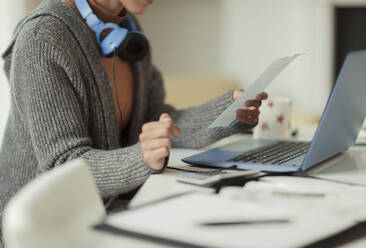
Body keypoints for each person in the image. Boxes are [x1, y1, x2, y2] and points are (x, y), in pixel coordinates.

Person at [0, 0, 267, 244]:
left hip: (108, 214)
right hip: (48, 232)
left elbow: (156, 121)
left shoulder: (126, 28)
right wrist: (142, 159)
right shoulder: (42, 38)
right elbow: (64, 164)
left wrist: (229, 112)